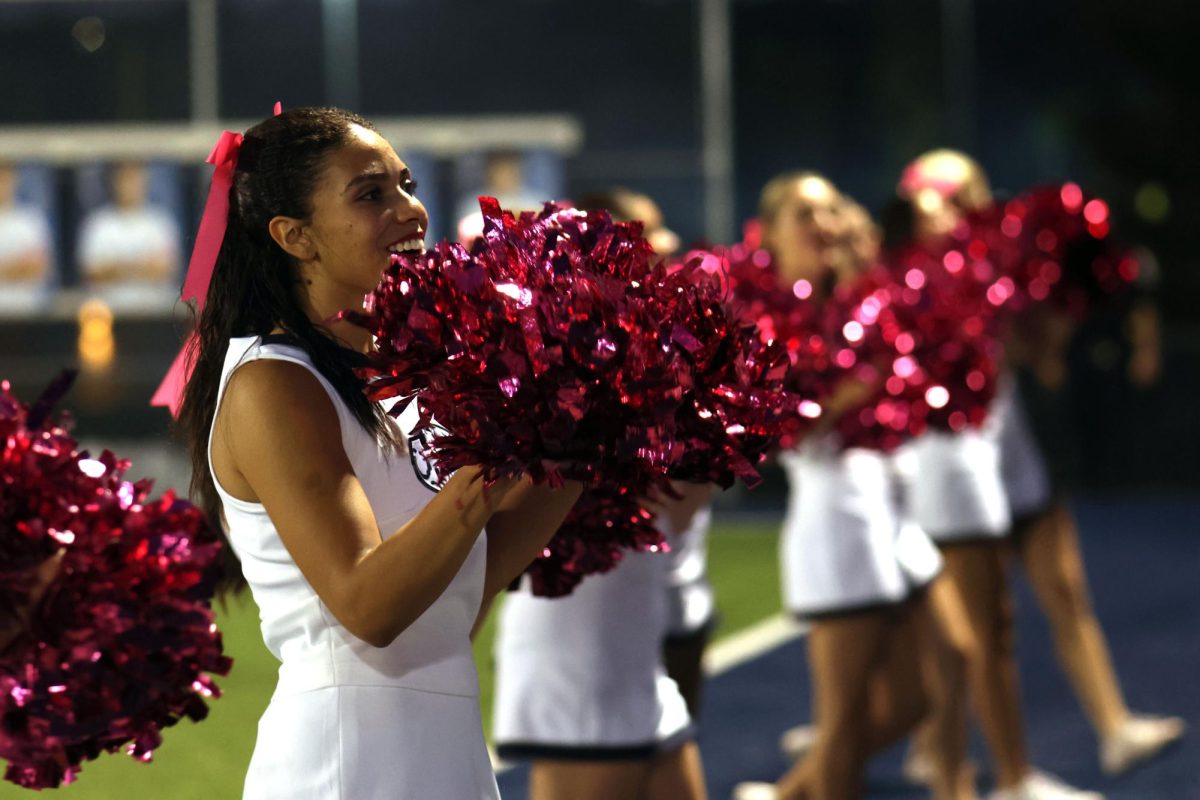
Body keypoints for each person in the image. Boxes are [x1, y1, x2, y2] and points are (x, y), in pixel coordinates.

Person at [174, 106, 582, 800]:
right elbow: (369, 607)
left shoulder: (397, 370)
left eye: (407, 184)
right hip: (348, 765)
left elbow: (455, 600)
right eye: (370, 194)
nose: (410, 211)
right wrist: (488, 457)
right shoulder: (274, 382)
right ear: (294, 236)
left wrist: (581, 436)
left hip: (444, 755)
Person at [898, 148, 1181, 796]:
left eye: (966, 191)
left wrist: (1064, 304)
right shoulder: (904, 281)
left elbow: (1040, 357)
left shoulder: (1000, 268)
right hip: (947, 468)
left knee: (1060, 593)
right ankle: (942, 755)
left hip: (1010, 453)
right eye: (940, 194)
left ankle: (1112, 727)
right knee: (968, 634)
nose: (958, 206)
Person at [734, 172, 974, 800]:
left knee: (926, 686)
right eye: (805, 213)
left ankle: (790, 793)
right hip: (837, 514)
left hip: (886, 500)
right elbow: (767, 434)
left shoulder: (845, 294)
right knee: (843, 722)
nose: (824, 224)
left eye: (831, 209)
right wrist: (839, 398)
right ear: (770, 231)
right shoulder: (759, 312)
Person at [490, 188, 709, 800]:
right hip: (579, 638)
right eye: (650, 230)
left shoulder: (657, 350)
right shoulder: (557, 359)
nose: (667, 243)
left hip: (635, 632)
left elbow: (679, 515)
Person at [77, 160, 180, 312]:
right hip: (109, 312)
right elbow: (92, 274)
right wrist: (140, 268)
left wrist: (118, 269)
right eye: (125, 179)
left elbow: (165, 270)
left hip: (154, 312)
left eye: (135, 179)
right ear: (115, 183)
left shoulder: (160, 222)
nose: (130, 186)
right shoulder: (97, 224)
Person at [0, 161, 54, 315]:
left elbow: (38, 269)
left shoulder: (31, 220)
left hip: (26, 313)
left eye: (4, 179)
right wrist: (17, 267)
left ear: (14, 180)